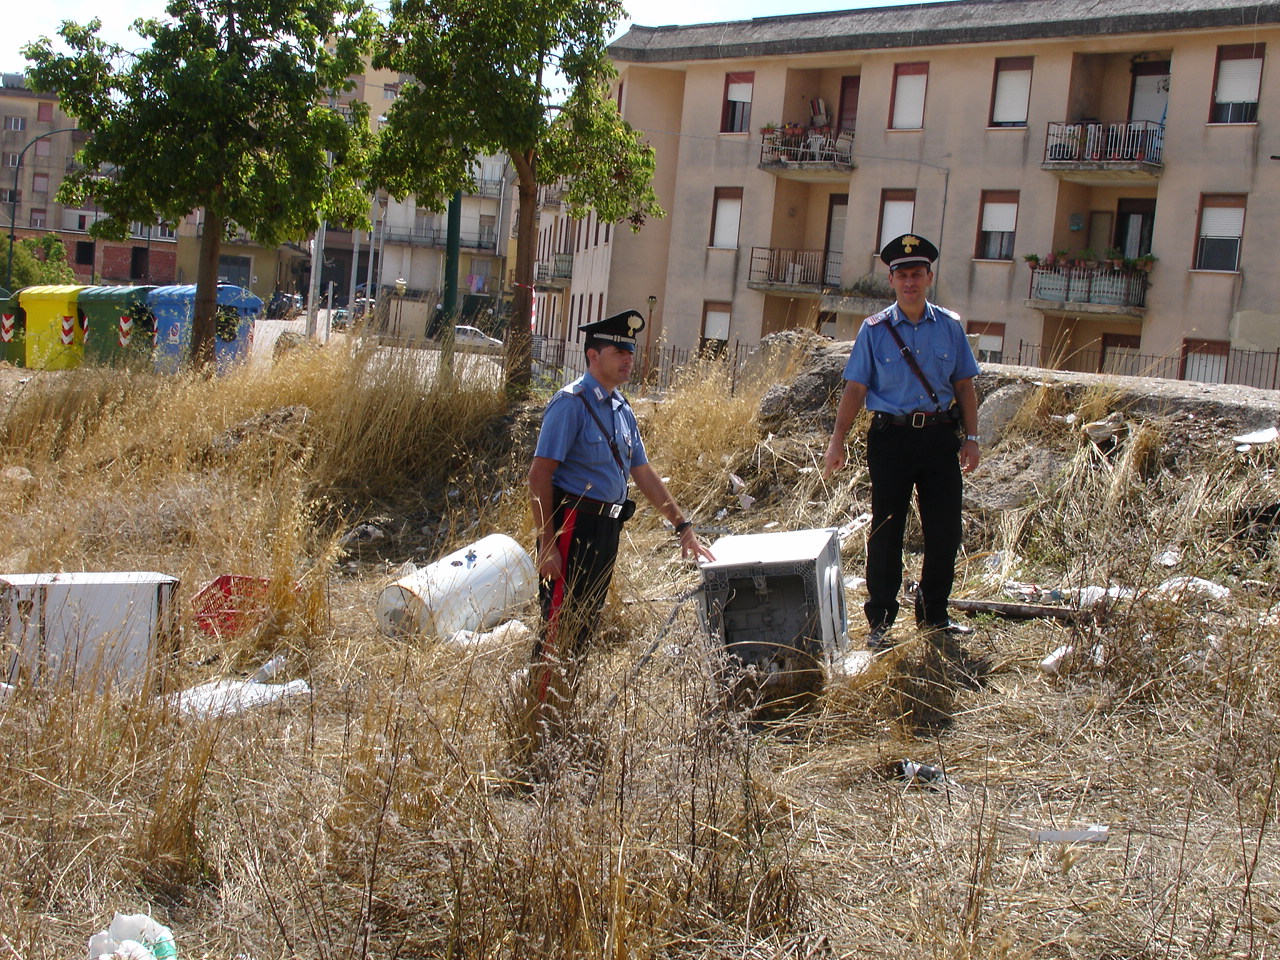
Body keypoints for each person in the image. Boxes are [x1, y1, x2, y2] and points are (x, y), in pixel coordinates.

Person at [524, 309, 715, 752]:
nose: (628, 358)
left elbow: (643, 473)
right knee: (557, 625)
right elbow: (539, 476)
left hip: (606, 527)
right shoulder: (570, 403)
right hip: (573, 524)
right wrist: (548, 544)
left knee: (584, 625)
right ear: (593, 356)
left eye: (631, 350)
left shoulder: (621, 407)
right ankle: (535, 728)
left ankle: (562, 714)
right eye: (618, 351)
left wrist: (682, 524)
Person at [822, 234, 981, 649]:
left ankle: (934, 616)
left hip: (939, 439)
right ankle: (881, 622)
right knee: (887, 530)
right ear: (891, 280)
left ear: (929, 276)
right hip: (891, 439)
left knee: (944, 531)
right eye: (901, 274)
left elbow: (964, 385)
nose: (909, 281)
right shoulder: (874, 330)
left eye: (916, 273)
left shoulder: (949, 326)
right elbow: (854, 389)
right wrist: (837, 441)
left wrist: (973, 438)